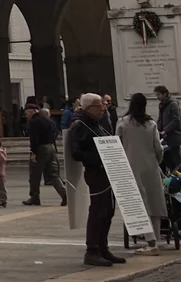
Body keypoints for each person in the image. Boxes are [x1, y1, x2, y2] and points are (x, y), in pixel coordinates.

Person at [67, 94, 124, 266]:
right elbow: (76, 152)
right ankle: (92, 250)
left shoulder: (96, 122)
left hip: (106, 171)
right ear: (89, 108)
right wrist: (98, 158)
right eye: (99, 106)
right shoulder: (80, 125)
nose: (103, 108)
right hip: (95, 172)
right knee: (98, 211)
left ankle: (102, 248)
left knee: (108, 210)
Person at [116, 93, 166, 248]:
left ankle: (150, 239)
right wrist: (157, 161)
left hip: (130, 167)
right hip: (150, 166)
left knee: (138, 203)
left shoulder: (123, 123)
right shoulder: (151, 124)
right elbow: (158, 147)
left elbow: (117, 145)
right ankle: (156, 238)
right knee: (154, 201)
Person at [23, 100, 68, 207]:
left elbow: (34, 139)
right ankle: (65, 194)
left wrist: (33, 152)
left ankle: (35, 197)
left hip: (40, 148)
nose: (26, 116)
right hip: (51, 147)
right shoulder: (48, 120)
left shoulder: (34, 122)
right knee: (53, 174)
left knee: (35, 174)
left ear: (31, 111)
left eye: (26, 113)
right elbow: (56, 132)